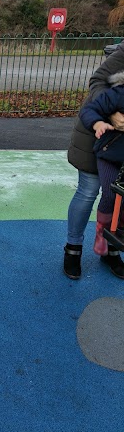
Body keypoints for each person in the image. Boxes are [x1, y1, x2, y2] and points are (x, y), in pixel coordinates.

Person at [64, 41, 124, 279]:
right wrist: (111, 114)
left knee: (117, 197)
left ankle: (110, 249)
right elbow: (97, 81)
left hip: (120, 146)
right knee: (89, 190)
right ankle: (73, 248)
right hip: (97, 131)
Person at [79, 78, 124, 265]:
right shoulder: (119, 94)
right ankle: (101, 231)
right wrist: (98, 123)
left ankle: (118, 231)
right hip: (109, 155)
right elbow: (89, 110)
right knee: (110, 194)